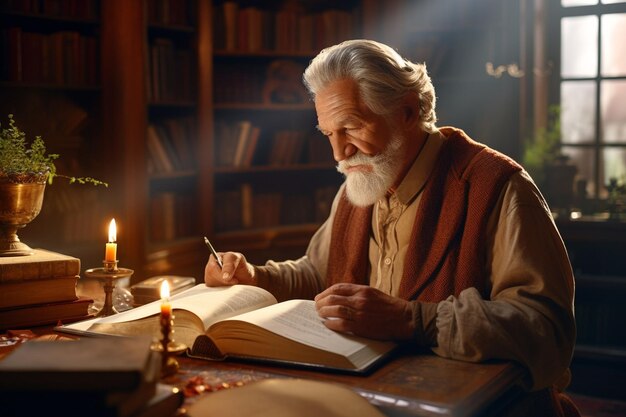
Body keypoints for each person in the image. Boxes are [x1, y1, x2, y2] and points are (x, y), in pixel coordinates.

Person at [205, 39, 579, 416]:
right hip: (378, 398)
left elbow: (546, 330)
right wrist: (255, 277)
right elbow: (319, 273)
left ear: (407, 111)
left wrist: (413, 321)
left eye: (350, 127)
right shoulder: (360, 183)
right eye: (328, 134)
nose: (339, 154)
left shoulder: (497, 186)